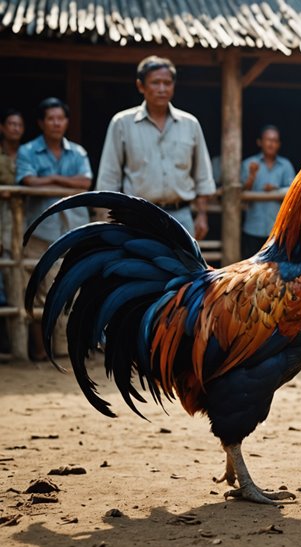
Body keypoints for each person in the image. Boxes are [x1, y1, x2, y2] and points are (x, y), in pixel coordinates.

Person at [96, 55, 215, 240]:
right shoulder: (122, 123)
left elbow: (202, 176)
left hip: (181, 217)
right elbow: (109, 177)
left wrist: (201, 215)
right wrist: (107, 219)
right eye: (155, 82)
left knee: (183, 269)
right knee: (137, 269)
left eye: (167, 83)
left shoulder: (190, 124)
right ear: (140, 86)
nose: (162, 89)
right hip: (137, 218)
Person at [16, 97, 92, 360]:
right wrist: (64, 184)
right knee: (39, 291)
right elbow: (27, 180)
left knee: (73, 289)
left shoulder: (78, 152)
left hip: (74, 231)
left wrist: (50, 179)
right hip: (41, 232)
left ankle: (67, 350)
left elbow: (84, 182)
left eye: (61, 118)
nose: (57, 123)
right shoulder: (28, 151)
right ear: (41, 122)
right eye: (51, 118)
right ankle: (40, 351)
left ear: (67, 121)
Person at [240, 125, 295, 259]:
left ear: (279, 144)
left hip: (278, 230)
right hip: (253, 228)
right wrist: (251, 177)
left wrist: (275, 190)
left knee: (276, 272)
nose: (271, 143)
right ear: (260, 142)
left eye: (275, 140)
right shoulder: (249, 164)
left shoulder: (286, 165)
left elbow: (294, 192)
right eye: (268, 140)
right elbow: (239, 195)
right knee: (250, 272)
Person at [0, 108, 25, 356]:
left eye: (19, 124)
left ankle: (15, 343)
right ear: (2, 127)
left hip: (19, 223)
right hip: (3, 220)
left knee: (15, 283)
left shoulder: (27, 155)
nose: (15, 128)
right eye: (11, 124)